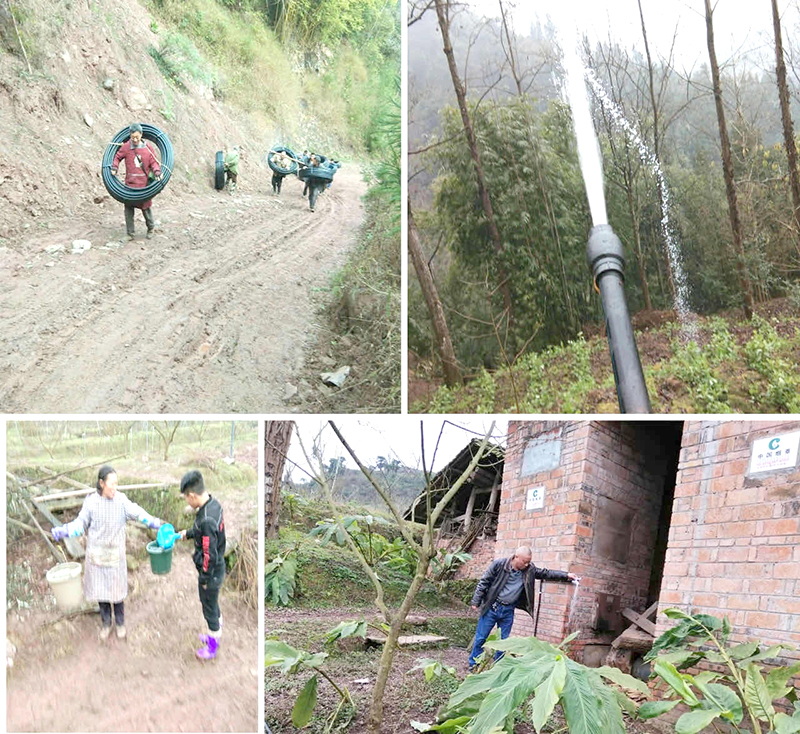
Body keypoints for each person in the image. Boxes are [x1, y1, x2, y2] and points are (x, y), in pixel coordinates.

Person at [51, 465, 165, 641]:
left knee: (117, 593)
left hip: (115, 557)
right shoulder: (91, 502)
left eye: (116, 484)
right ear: (101, 483)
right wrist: (65, 531)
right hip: (96, 558)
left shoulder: (121, 501)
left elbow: (138, 512)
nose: (114, 487)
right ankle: (106, 623)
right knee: (101, 593)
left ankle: (120, 623)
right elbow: (80, 524)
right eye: (111, 484)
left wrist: (154, 522)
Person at [468, 546, 579, 671]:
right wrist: (476, 601)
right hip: (492, 607)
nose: (527, 564)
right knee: (481, 637)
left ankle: (497, 668)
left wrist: (566, 575)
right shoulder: (499, 565)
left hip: (508, 610)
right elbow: (484, 582)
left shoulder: (529, 569)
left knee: (504, 642)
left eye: (528, 562)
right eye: (524, 561)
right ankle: (473, 664)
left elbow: (545, 573)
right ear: (516, 557)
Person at [177, 470, 226, 660]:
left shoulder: (205, 519)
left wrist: (205, 579)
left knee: (209, 609)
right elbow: (205, 532)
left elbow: (209, 555)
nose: (187, 502)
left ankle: (213, 645)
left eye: (186, 499)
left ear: (192, 495)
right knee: (212, 604)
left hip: (211, 573)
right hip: (218, 568)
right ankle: (215, 632)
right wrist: (188, 533)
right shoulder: (213, 505)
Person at [111, 123, 162, 241]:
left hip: (144, 186)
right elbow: (117, 157)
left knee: (146, 208)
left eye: (137, 137)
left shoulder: (147, 148)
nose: (134, 139)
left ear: (141, 135)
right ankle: (130, 234)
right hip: (130, 185)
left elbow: (154, 162)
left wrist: (157, 172)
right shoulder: (126, 147)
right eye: (132, 137)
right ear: (129, 135)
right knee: (128, 209)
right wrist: (114, 167)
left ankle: (151, 228)